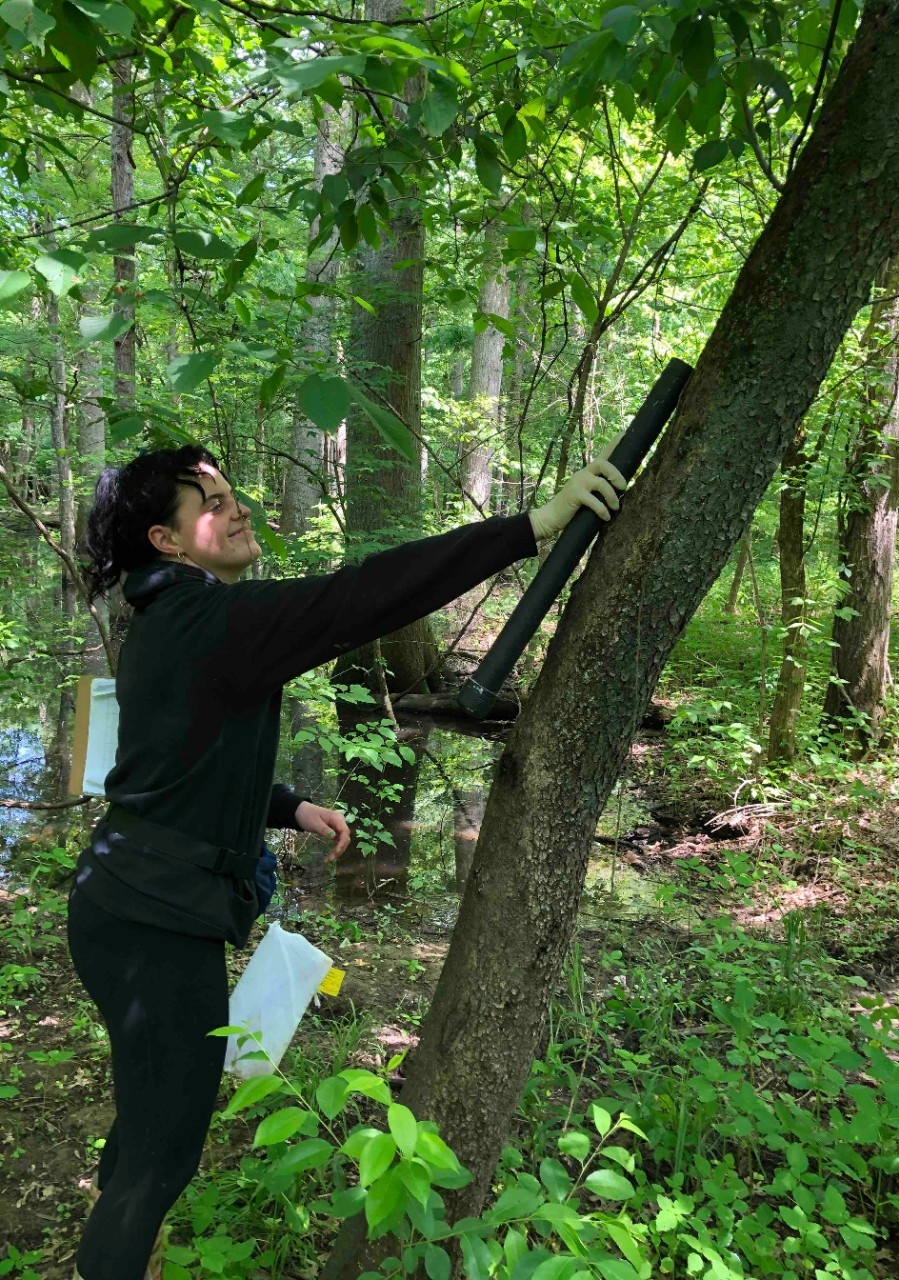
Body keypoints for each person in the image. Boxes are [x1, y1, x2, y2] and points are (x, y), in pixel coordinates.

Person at [68, 440, 627, 1280]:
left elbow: (175, 762)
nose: (238, 503)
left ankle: (116, 1241)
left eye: (230, 486)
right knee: (165, 1148)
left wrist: (290, 805)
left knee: (149, 1114)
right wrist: (533, 525)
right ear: (168, 540)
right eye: (211, 500)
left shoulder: (173, 619)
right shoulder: (206, 618)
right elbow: (358, 598)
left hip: (130, 907)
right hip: (150, 924)